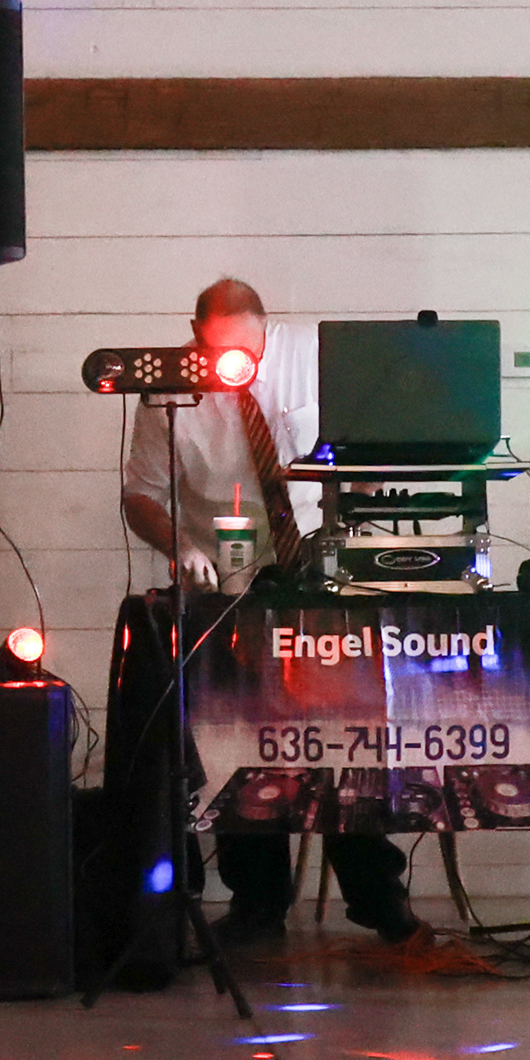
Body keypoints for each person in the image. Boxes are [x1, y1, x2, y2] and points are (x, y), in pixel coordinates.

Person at [116, 278, 493, 977]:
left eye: (249, 352)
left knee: (346, 735)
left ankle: (379, 899)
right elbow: (139, 494)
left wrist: (362, 479)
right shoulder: (168, 393)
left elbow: (375, 456)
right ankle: (257, 901)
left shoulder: (318, 357)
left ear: (268, 330)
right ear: (195, 337)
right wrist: (178, 546)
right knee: (238, 736)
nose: (239, 366)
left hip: (320, 569)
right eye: (221, 352)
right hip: (226, 577)